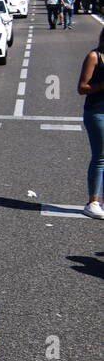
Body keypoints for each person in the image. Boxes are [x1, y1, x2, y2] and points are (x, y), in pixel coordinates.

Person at [79, 27, 104, 218]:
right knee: (100, 157)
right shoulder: (94, 57)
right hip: (97, 112)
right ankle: (92, 202)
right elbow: (82, 87)